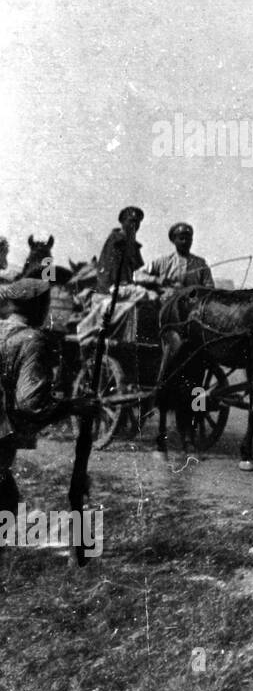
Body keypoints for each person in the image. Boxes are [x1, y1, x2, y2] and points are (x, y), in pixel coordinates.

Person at [0, 280, 80, 532]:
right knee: (5, 504)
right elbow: (30, 403)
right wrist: (72, 406)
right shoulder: (32, 340)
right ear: (41, 307)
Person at [77, 207, 150, 350]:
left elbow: (139, 269)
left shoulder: (132, 245)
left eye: (138, 222)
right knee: (132, 306)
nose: (134, 225)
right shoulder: (116, 241)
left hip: (125, 289)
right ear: (122, 222)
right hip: (110, 291)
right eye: (131, 221)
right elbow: (109, 272)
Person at [135, 222, 215, 296]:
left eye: (188, 239)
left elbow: (210, 287)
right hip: (166, 305)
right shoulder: (163, 261)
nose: (185, 242)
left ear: (191, 241)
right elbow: (137, 275)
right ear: (174, 241)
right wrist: (157, 280)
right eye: (181, 238)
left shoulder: (200, 263)